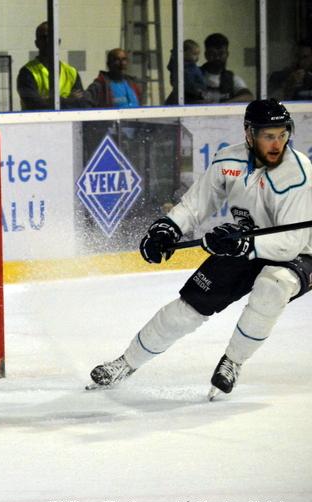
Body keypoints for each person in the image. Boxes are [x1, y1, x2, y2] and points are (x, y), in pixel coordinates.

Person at [88, 99, 312, 399]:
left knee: (273, 285)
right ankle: (126, 363)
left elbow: (290, 243)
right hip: (246, 243)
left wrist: (245, 243)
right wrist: (168, 227)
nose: (277, 144)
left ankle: (233, 361)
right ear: (249, 134)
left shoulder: (298, 172)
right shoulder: (228, 162)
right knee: (188, 309)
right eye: (268, 136)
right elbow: (196, 205)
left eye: (282, 135)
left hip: (299, 251)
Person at [17, 20, 88, 110]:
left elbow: (81, 104)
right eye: (43, 37)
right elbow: (33, 104)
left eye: (51, 37)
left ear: (59, 42)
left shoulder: (71, 72)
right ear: (36, 43)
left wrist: (47, 100)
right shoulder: (27, 72)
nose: (48, 41)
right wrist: (67, 99)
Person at [198, 33, 253, 103]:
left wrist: (224, 105)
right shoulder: (194, 76)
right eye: (213, 53)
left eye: (221, 53)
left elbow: (248, 97)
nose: (217, 57)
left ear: (227, 54)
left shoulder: (232, 79)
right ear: (206, 55)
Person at [166, 39, 206, 104]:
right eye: (194, 54)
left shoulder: (194, 68)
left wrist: (198, 90)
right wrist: (174, 54)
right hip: (181, 92)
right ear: (184, 53)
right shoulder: (178, 65)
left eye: (198, 54)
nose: (197, 57)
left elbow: (201, 83)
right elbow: (171, 67)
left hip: (193, 93)